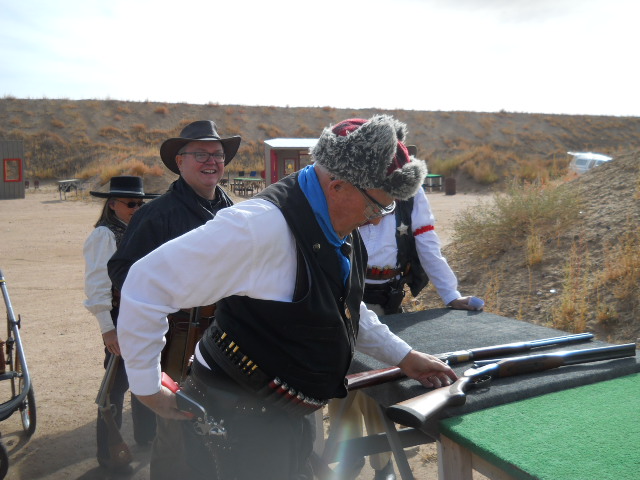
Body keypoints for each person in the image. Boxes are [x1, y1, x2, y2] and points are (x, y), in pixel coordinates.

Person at [116, 114, 458, 480]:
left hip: (281, 415)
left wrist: (403, 356)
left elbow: (341, 308)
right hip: (238, 423)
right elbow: (145, 284)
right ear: (338, 186)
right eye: (377, 207)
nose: (376, 220)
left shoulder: (332, 221)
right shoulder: (258, 227)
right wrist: (148, 388)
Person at [329, 157, 485, 479]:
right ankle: (348, 456)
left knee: (378, 383)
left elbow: (427, 243)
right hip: (344, 295)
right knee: (342, 384)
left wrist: (451, 294)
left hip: (387, 301)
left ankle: (381, 462)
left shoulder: (411, 194)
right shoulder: (348, 183)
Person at [107, 120, 240, 479]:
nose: (212, 161)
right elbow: (122, 270)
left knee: (225, 422)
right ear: (180, 162)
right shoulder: (157, 214)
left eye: (217, 154)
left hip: (227, 334)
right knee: (179, 427)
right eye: (201, 154)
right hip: (180, 337)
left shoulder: (232, 210)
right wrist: (174, 294)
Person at [82, 175, 160, 473]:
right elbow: (97, 284)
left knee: (145, 375)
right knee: (115, 387)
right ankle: (109, 454)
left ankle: (147, 435)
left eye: (140, 204)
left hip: (141, 315)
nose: (136, 209)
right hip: (119, 317)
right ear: (113, 204)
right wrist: (107, 328)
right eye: (131, 204)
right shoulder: (104, 235)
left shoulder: (135, 231)